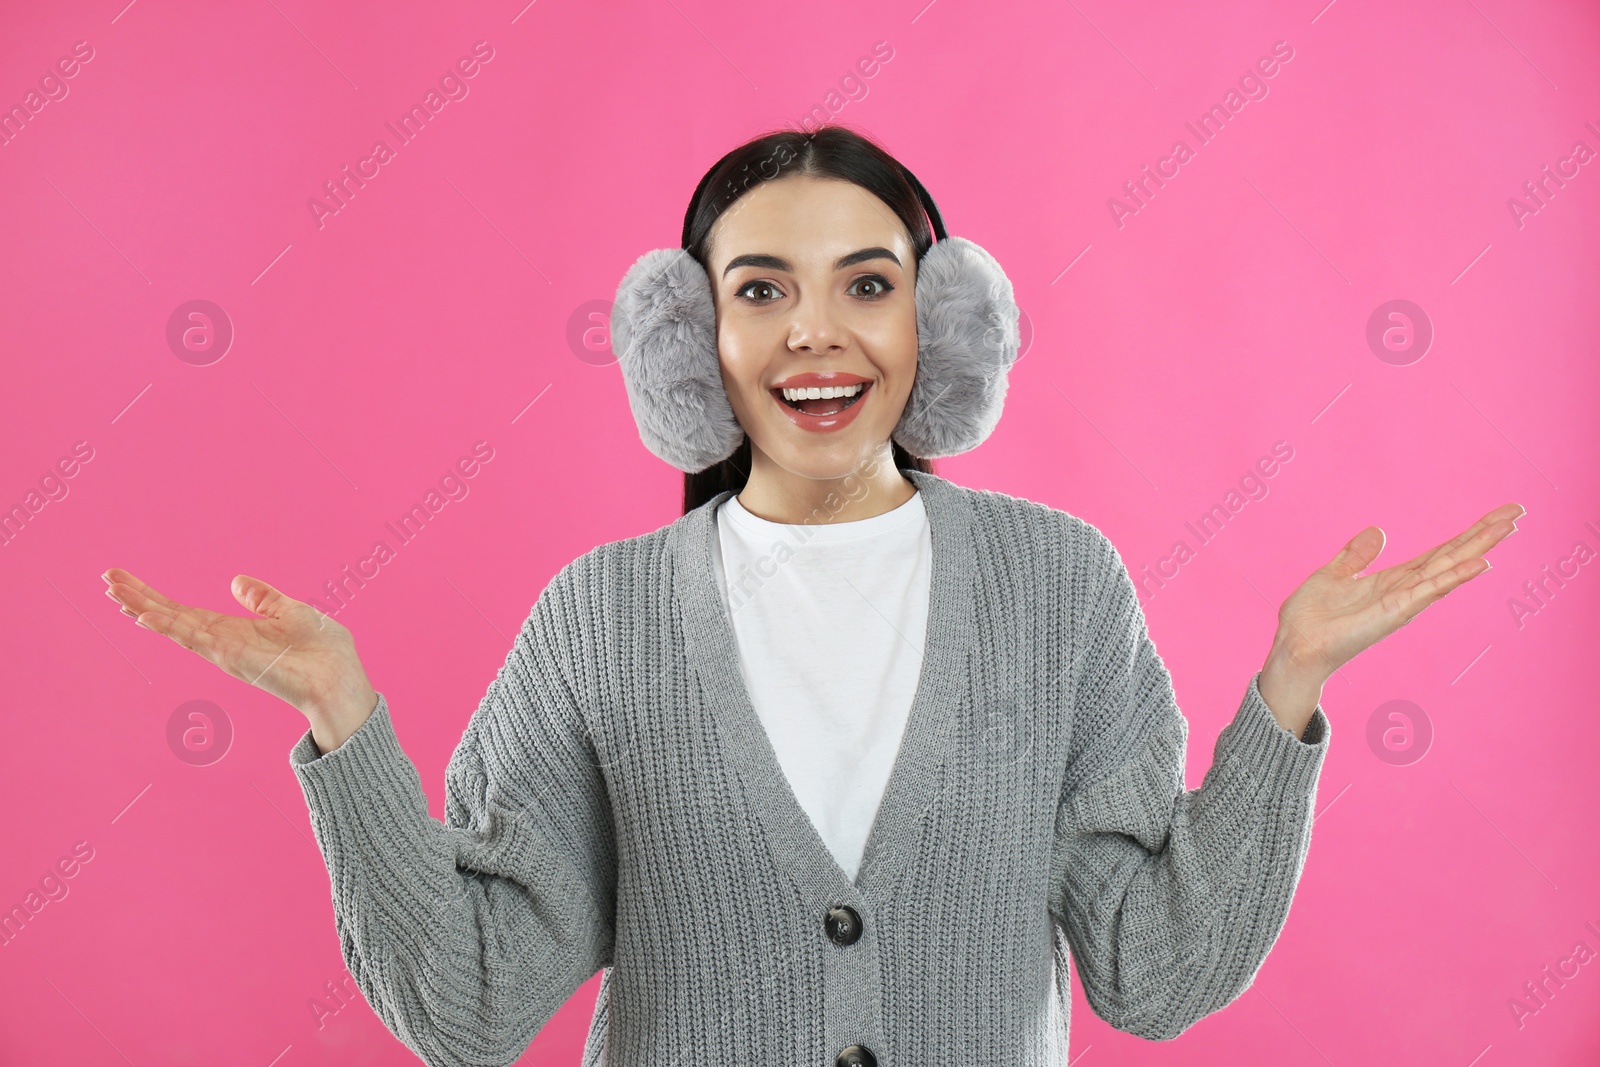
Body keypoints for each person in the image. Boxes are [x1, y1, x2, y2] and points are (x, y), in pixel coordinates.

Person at [101, 125, 1523, 1066]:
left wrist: (1286, 697)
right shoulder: (601, 620)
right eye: (763, 290)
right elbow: (470, 1001)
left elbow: (1152, 972)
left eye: (868, 283)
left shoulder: (1061, 588)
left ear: (941, 320)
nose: (820, 334)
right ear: (691, 339)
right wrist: (348, 729)